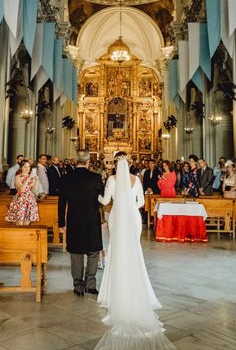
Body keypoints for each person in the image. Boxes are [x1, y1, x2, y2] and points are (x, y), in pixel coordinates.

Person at [95, 152, 175, 350]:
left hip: (118, 217)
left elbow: (105, 202)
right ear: (129, 164)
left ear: (115, 164)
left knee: (115, 250)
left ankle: (113, 291)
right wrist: (129, 205)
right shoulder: (137, 180)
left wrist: (96, 193)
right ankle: (134, 282)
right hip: (133, 218)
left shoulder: (112, 179)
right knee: (134, 251)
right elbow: (140, 203)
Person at [58, 149, 104, 296]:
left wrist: (61, 223)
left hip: (74, 219)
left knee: (76, 253)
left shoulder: (66, 178)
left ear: (75, 161)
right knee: (93, 252)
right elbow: (102, 199)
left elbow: (61, 203)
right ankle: (90, 284)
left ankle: (78, 285)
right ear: (88, 162)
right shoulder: (96, 178)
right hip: (92, 219)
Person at [6, 160, 39, 225]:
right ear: (21, 167)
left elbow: (34, 190)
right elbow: (22, 189)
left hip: (30, 200)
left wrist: (36, 179)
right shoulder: (18, 177)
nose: (27, 169)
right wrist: (28, 178)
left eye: (28, 167)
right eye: (25, 167)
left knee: (27, 223)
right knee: (19, 223)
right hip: (20, 200)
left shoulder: (32, 177)